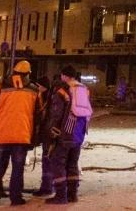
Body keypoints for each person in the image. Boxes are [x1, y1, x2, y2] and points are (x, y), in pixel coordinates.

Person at [0, 60, 38, 206]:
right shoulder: (34, 90)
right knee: (18, 168)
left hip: (0, 134)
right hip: (22, 134)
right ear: (28, 73)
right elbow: (38, 112)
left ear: (14, 72)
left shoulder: (0, 86)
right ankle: (16, 198)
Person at [44, 65, 91, 204]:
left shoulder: (63, 91)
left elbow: (56, 114)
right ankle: (72, 194)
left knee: (58, 163)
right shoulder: (84, 90)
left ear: (64, 76)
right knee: (72, 164)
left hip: (65, 134)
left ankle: (60, 196)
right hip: (79, 134)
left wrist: (51, 132)